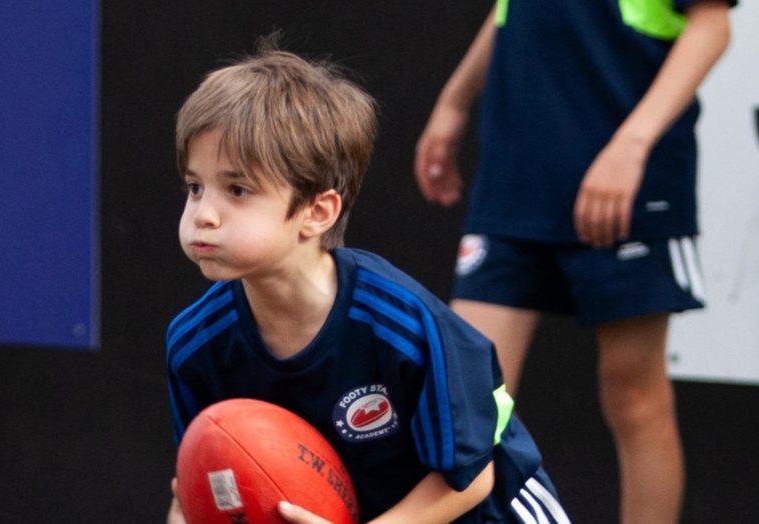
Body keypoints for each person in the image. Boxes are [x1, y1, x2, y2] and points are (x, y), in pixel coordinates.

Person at [165, 36, 570, 523]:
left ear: (317, 212)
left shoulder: (404, 325)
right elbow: (199, 490)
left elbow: (471, 478)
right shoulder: (194, 345)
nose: (204, 214)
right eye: (195, 186)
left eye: (238, 189)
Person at [414, 1, 733, 522]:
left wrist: (630, 146)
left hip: (628, 189)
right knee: (466, 400)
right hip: (514, 183)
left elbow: (712, 25)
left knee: (634, 397)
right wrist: (455, 99)